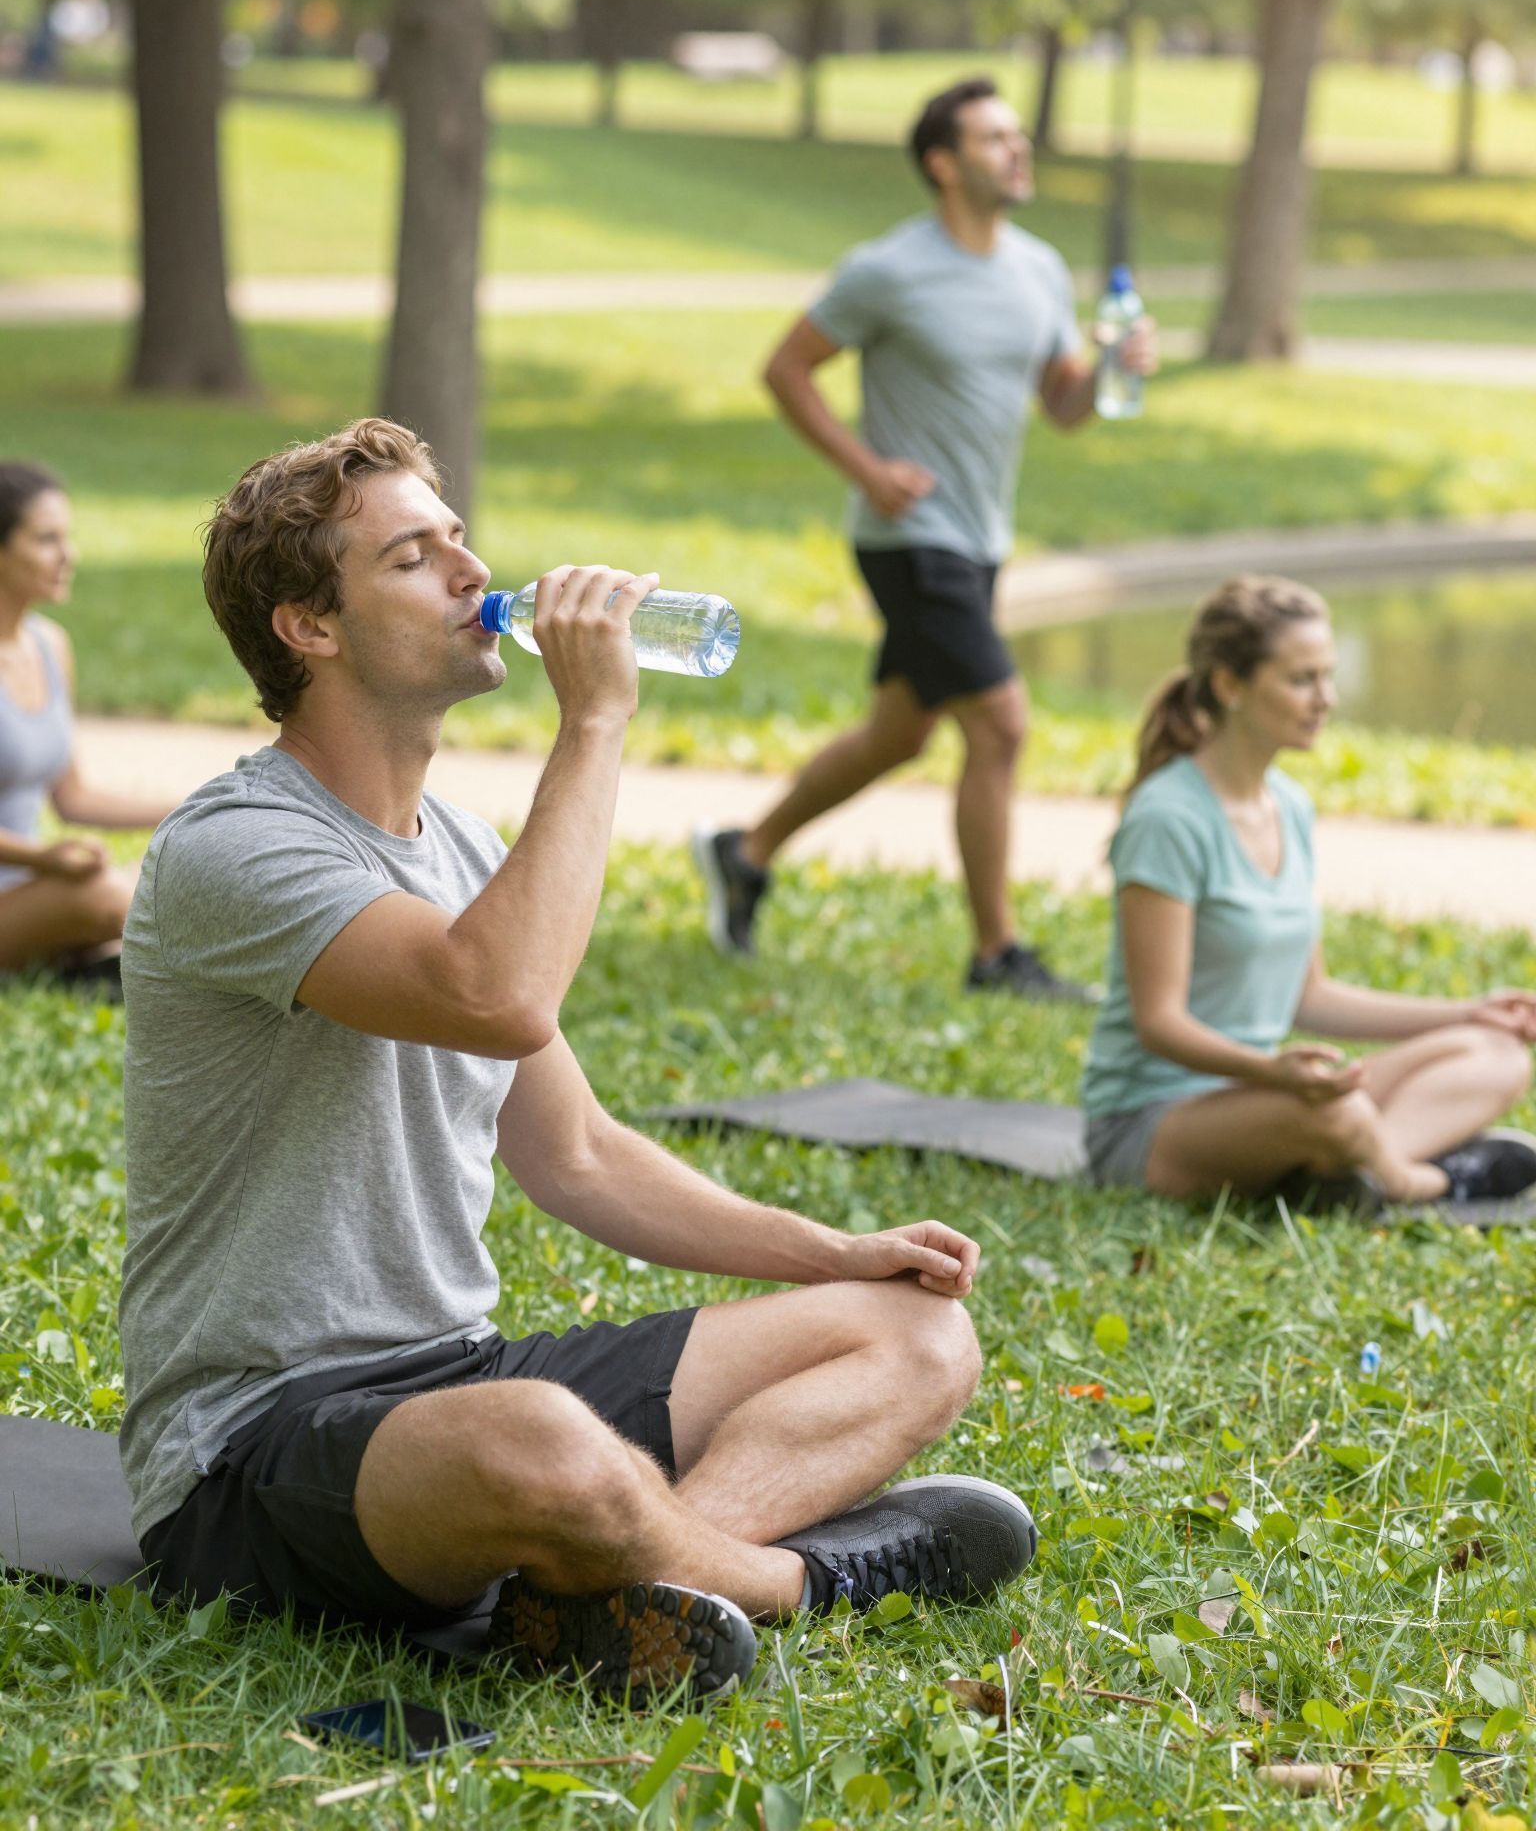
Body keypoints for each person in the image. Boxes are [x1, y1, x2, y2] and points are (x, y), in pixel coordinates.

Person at [118, 419, 1037, 1707]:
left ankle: (620, 1590)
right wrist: (596, 718)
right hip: (253, 1443)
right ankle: (784, 1578)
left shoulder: (462, 842)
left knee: (918, 1335)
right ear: (308, 627)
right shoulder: (234, 848)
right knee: (546, 1441)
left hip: (453, 1372)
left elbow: (579, 1151)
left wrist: (832, 1251)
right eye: (410, 555)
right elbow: (493, 995)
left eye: (457, 536)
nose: (468, 567)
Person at [692, 76, 1156, 1001]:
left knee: (900, 737)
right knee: (1001, 724)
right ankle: (997, 955)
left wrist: (1110, 371)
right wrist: (867, 469)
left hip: (982, 540)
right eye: (994, 139)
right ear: (943, 164)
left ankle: (743, 852)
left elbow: (1063, 406)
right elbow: (786, 370)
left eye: (1018, 136)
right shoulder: (888, 270)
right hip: (909, 538)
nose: (1017, 150)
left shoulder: (1038, 268)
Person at [1079, 575, 1536, 1204]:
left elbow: (1310, 995)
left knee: (1498, 1052)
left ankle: (1350, 1170)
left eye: (1328, 675)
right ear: (1229, 685)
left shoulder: (1288, 806)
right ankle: (1419, 1181)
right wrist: (1271, 1073)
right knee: (1335, 1114)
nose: (1326, 697)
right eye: (1302, 680)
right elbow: (1159, 1023)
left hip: (1267, 1096)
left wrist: (1468, 1012)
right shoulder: (1168, 819)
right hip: (1155, 1120)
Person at [0, 460, 175, 987]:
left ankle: (89, 965)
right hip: (30, 883)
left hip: (31, 887)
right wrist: (44, 858)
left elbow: (73, 798)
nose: (68, 555)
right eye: (47, 539)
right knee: (105, 894)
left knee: (159, 880)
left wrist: (190, 807)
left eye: (67, 537)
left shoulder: (51, 646)